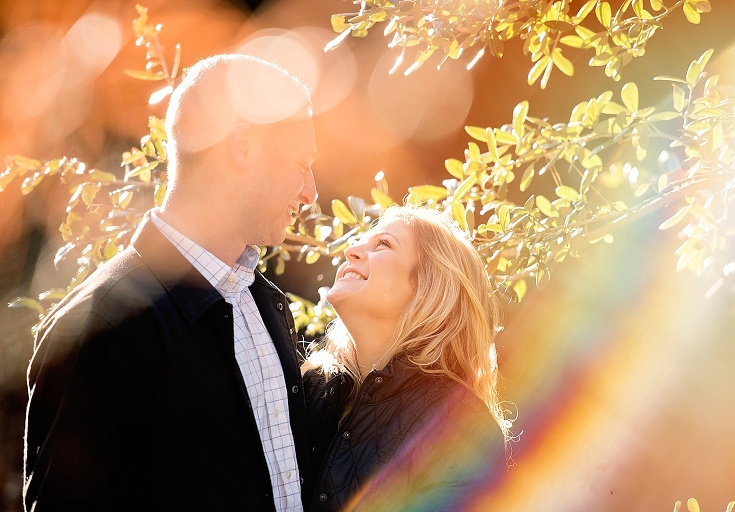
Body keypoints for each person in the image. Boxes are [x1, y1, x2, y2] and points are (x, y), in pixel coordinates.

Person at [24, 54, 319, 511]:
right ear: (243, 147)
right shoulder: (100, 327)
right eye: (302, 163)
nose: (311, 193)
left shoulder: (264, 304)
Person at [302, 205, 511, 512]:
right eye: (361, 240)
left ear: (430, 287)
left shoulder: (459, 424)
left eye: (383, 244)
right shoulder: (304, 388)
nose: (351, 250)